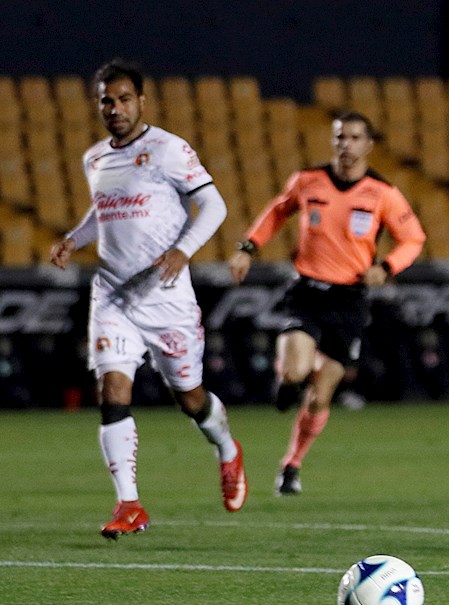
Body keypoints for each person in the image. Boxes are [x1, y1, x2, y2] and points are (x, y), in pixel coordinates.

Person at [49, 59, 247, 540]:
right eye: (106, 101)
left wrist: (183, 251)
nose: (114, 108)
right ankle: (129, 504)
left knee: (190, 398)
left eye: (123, 99)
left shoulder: (168, 149)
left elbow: (214, 205)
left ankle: (226, 448)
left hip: (165, 299)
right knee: (112, 390)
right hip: (113, 294)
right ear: (97, 105)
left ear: (141, 101)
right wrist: (75, 239)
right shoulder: (95, 158)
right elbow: (104, 212)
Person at [229, 110, 426, 496]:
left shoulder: (382, 193)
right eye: (339, 137)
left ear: (368, 145)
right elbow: (276, 211)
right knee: (297, 371)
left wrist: (386, 267)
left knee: (321, 395)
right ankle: (287, 378)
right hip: (306, 291)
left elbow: (413, 239)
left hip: (349, 300)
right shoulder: (307, 181)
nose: (346, 145)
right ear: (332, 141)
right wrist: (248, 248)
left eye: (354, 138)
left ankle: (291, 464)